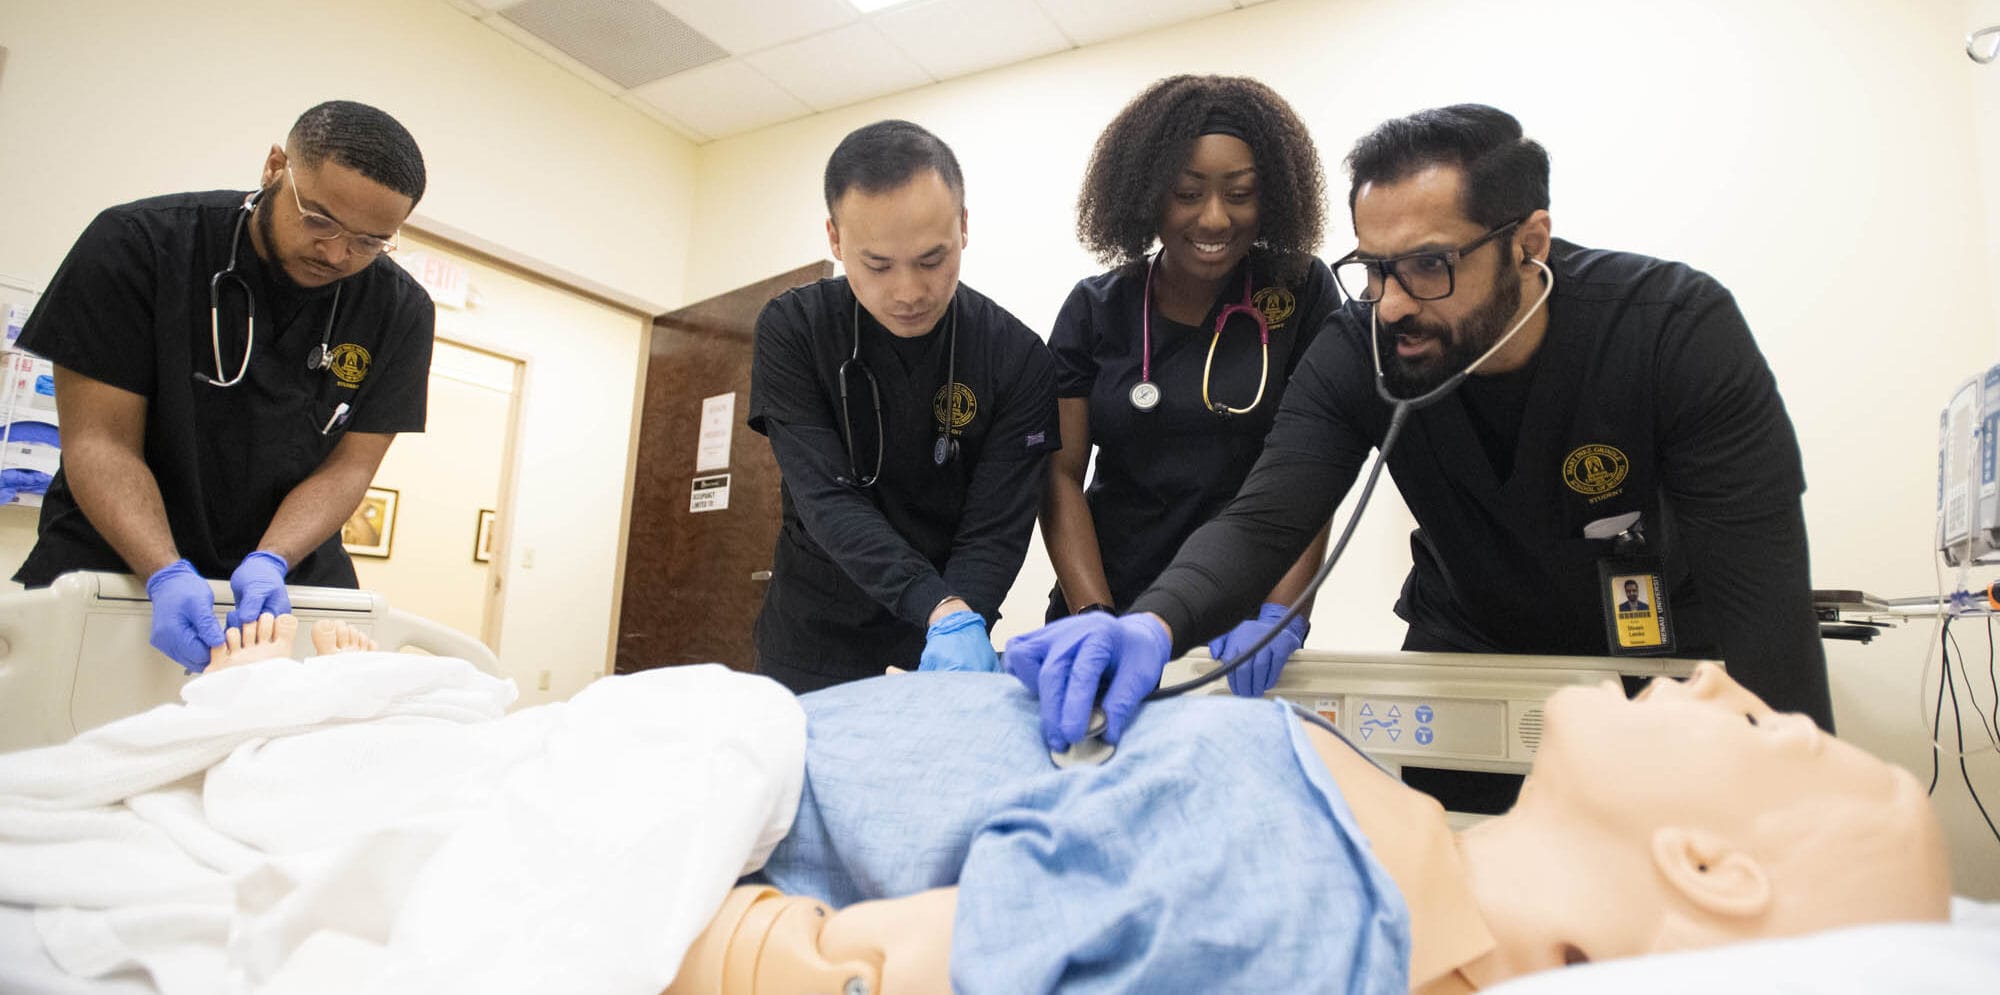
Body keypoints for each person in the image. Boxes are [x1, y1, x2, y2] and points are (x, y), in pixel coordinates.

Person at [1005, 103, 1834, 755]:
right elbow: (1266, 518)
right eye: (1372, 268)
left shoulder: (1672, 331)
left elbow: (1768, 620)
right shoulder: (1357, 347)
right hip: (1465, 637)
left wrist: (1799, 787)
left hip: (1654, 643)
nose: (1392, 302)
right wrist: (1150, 623)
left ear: (1527, 243)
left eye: (1429, 265)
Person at [664, 663, 1949, 993]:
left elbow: (805, 963)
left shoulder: (1312, 889)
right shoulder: (1384, 843)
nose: (1722, 680)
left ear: (1708, 869)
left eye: (1767, 727)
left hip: (702, 780)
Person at [12, 100, 434, 673]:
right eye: (320, 221)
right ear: (275, 167)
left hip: (285, 579)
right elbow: (100, 442)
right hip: (113, 562)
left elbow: (349, 468)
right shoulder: (138, 244)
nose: (337, 254)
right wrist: (164, 571)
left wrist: (270, 560)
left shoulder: (399, 309)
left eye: (369, 242)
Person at [1040, 75, 1340, 698]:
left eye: (1241, 193)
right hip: (1110, 602)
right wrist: (1094, 616)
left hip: (1244, 616)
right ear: (1148, 195)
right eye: (1186, 193)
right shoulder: (1096, 310)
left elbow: (1316, 470)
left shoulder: (1301, 291)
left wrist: (1282, 614)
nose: (1215, 217)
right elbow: (1060, 473)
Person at [747, 120, 1060, 692]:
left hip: (947, 643)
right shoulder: (794, 330)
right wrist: (937, 605)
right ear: (836, 240)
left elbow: (994, 528)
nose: (910, 292)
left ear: (963, 228)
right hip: (812, 643)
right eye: (878, 265)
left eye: (932, 259)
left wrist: (959, 619)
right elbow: (827, 499)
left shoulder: (1017, 358)